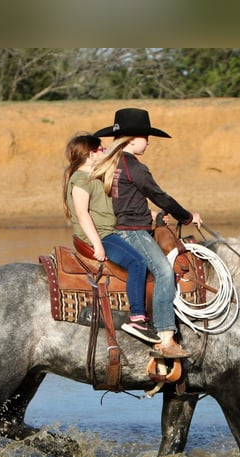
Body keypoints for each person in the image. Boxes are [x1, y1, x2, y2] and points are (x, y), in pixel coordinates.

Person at [91, 108, 203, 359]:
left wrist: (154, 216)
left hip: (130, 227)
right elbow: (160, 195)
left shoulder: (115, 163)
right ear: (131, 139)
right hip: (134, 232)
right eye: (145, 136)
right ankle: (166, 337)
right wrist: (187, 216)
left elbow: (130, 202)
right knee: (164, 271)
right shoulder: (135, 167)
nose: (148, 141)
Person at [62, 133, 160, 344]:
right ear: (90, 154)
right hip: (102, 234)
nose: (105, 151)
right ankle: (137, 318)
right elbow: (82, 213)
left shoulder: (96, 176)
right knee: (137, 262)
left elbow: (112, 210)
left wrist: (153, 216)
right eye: (101, 149)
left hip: (109, 230)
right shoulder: (79, 179)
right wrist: (97, 243)